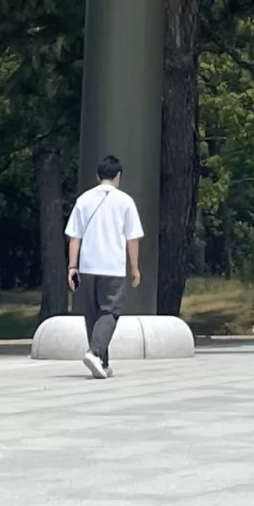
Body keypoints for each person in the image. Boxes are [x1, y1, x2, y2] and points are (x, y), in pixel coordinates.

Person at [64, 152, 144, 379]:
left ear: (98, 176)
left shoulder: (83, 200)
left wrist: (72, 266)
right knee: (111, 312)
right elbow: (132, 238)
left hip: (88, 265)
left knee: (93, 314)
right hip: (112, 266)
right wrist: (135, 268)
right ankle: (95, 352)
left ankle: (102, 363)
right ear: (118, 176)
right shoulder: (125, 201)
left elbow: (74, 236)